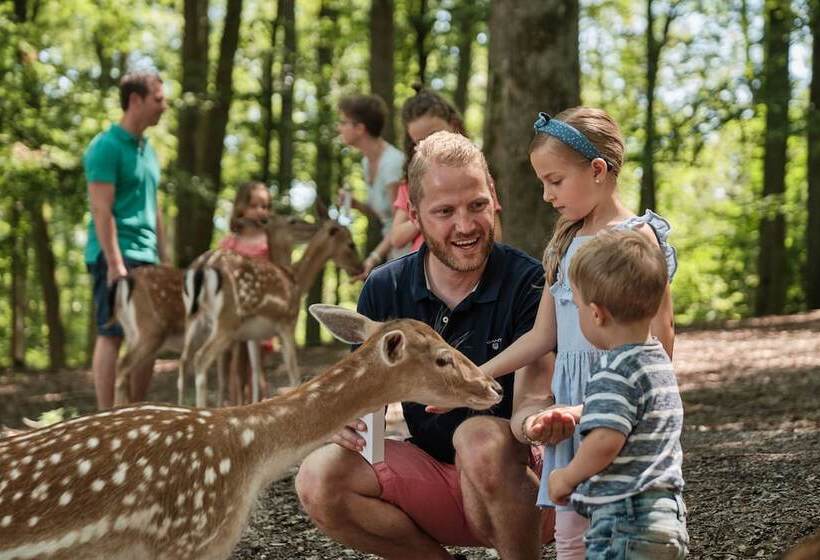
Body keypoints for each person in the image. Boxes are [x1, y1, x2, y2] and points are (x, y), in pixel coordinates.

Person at [295, 131, 563, 560]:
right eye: (444, 211)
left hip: (526, 490)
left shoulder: (529, 282)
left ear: (494, 197)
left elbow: (533, 397)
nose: (465, 226)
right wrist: (343, 420)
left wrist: (535, 423)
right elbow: (366, 405)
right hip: (433, 477)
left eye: (477, 205)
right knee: (318, 476)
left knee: (478, 437)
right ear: (414, 215)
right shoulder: (386, 288)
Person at [479, 108, 678, 559]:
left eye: (555, 181)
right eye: (542, 183)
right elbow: (541, 336)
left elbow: (661, 339)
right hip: (567, 413)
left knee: (624, 527)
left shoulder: (637, 239)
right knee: (571, 535)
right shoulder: (564, 243)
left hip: (620, 405)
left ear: (597, 170)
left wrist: (613, 405)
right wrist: (478, 373)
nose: (547, 195)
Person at [548, 229, 688, 557]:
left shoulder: (612, 369)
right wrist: (580, 412)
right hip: (667, 515)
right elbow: (635, 414)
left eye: (578, 307)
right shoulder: (656, 360)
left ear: (597, 314)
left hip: (625, 519)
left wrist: (567, 477)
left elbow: (605, 440)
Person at [84, 71, 168, 409]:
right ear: (135, 100)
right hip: (115, 255)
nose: (164, 106)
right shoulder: (105, 147)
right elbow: (101, 209)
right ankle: (106, 419)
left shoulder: (149, 151)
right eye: (158, 99)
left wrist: (164, 258)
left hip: (147, 257)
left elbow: (154, 208)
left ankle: (133, 413)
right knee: (112, 333)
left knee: (149, 336)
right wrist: (115, 262)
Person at [390, 86, 503, 253]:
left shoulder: (476, 176)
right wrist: (429, 215)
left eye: (435, 134)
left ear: (453, 124)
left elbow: (496, 236)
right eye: (419, 142)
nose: (430, 144)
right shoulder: (412, 183)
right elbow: (396, 238)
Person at [218, 180, 275, 403]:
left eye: (265, 206)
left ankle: (259, 409)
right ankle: (235, 410)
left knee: (257, 366)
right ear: (241, 207)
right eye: (254, 205)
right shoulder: (230, 244)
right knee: (235, 364)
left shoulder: (269, 243)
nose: (261, 211)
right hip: (235, 313)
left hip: (260, 312)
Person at [337, 94, 405, 276]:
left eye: (343, 122)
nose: (339, 128)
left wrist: (374, 257)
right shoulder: (367, 162)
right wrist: (356, 204)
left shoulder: (392, 164)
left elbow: (400, 221)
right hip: (393, 249)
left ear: (360, 128)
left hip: (407, 251)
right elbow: (383, 213)